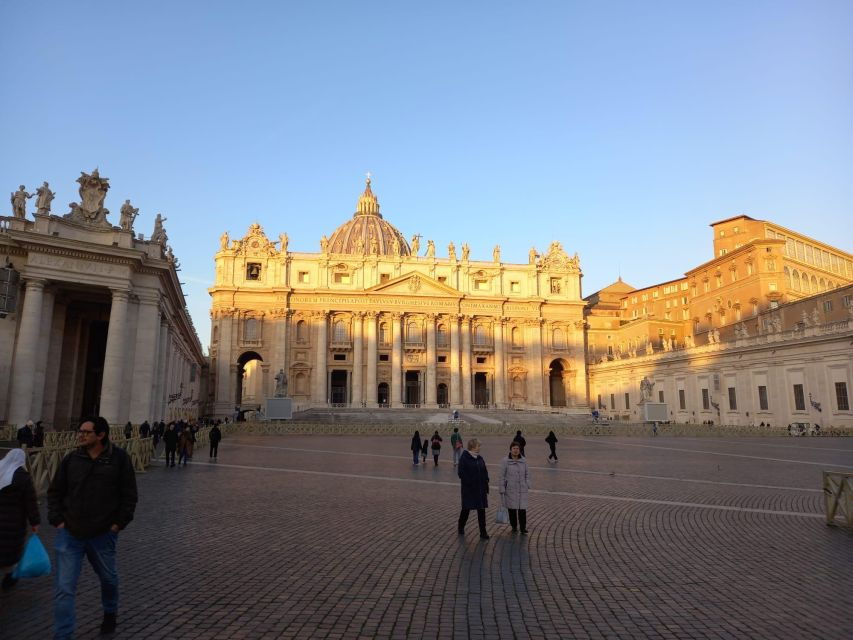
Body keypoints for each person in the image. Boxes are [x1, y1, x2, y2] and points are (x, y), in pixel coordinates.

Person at [47, 416, 138, 638]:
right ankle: (63, 635)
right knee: (64, 589)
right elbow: (55, 491)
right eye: (80, 431)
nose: (81, 435)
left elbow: (129, 495)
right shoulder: (71, 459)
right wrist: (57, 519)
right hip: (70, 532)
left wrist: (118, 524)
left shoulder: (119, 459)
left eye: (86, 432)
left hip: (103, 533)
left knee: (108, 579)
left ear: (101, 435)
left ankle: (110, 612)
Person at [0, 449, 40, 591]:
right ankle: (9, 576)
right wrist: (35, 522)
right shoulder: (23, 477)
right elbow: (30, 502)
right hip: (14, 521)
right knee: (9, 550)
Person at [458, 439, 490, 540]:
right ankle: (461, 526)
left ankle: (483, 532)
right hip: (469, 489)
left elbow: (484, 470)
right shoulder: (464, 458)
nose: (480, 448)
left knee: (481, 510)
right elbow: (461, 472)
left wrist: (486, 480)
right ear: (472, 447)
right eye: (478, 446)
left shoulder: (480, 458)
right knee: (466, 509)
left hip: (480, 489)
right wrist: (469, 482)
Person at [500, 442, 530, 534]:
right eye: (514, 448)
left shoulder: (524, 460)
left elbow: (527, 474)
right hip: (510, 489)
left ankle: (523, 528)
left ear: (519, 450)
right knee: (512, 509)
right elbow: (502, 476)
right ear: (510, 449)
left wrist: (527, 484)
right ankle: (514, 526)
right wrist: (502, 488)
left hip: (522, 489)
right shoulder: (505, 461)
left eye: (517, 448)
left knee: (522, 509)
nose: (516, 450)